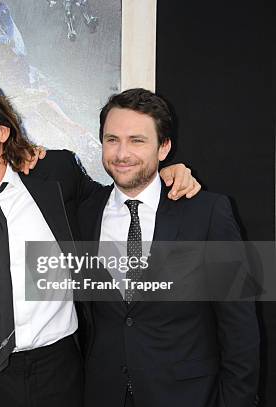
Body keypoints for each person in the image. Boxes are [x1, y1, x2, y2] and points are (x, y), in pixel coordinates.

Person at [0, 81, 200, 406]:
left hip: (59, 369)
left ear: (2, 131)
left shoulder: (55, 173)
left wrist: (166, 173)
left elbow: (117, 201)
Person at [76, 88, 260, 407]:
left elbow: (240, 329)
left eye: (137, 140)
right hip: (102, 393)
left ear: (164, 148)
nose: (122, 153)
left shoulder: (207, 213)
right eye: (112, 139)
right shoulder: (84, 212)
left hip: (187, 396)